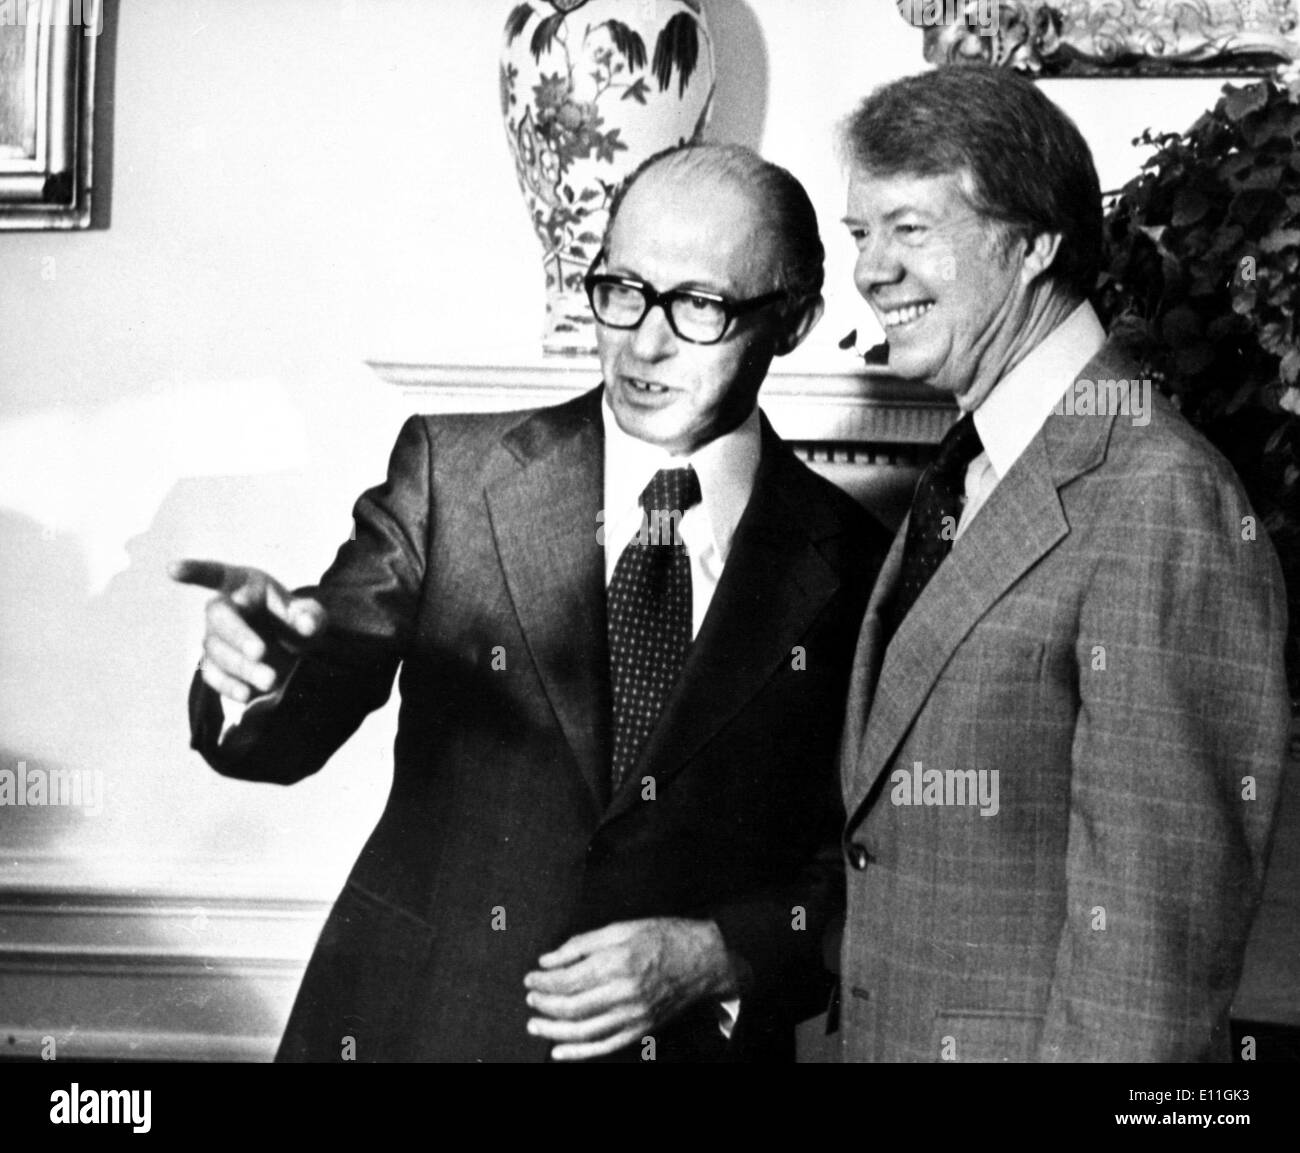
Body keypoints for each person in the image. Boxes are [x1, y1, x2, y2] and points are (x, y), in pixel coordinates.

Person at [173, 142, 890, 1062]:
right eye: (622, 288)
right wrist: (261, 672)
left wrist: (716, 954)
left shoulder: (856, 564)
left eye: (699, 306)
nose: (644, 340)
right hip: (415, 1028)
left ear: (791, 321)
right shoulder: (457, 476)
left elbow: (870, 867)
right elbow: (312, 685)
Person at [835, 66, 1292, 1062]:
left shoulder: (1158, 494)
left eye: (909, 228)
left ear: (1034, 241)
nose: (870, 271)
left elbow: (1147, 974)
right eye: (858, 234)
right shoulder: (980, 464)